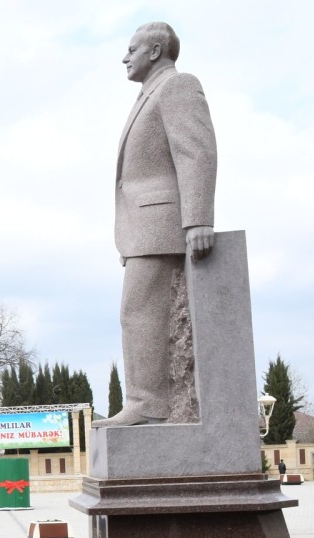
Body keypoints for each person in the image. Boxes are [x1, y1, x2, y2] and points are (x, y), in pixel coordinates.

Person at [93, 21, 217, 428]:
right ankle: (147, 401)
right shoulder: (148, 94)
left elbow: (196, 152)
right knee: (136, 311)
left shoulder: (177, 86)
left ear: (155, 50)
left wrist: (198, 218)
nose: (124, 57)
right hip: (143, 229)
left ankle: (147, 404)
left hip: (162, 224)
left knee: (138, 310)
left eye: (132, 49)